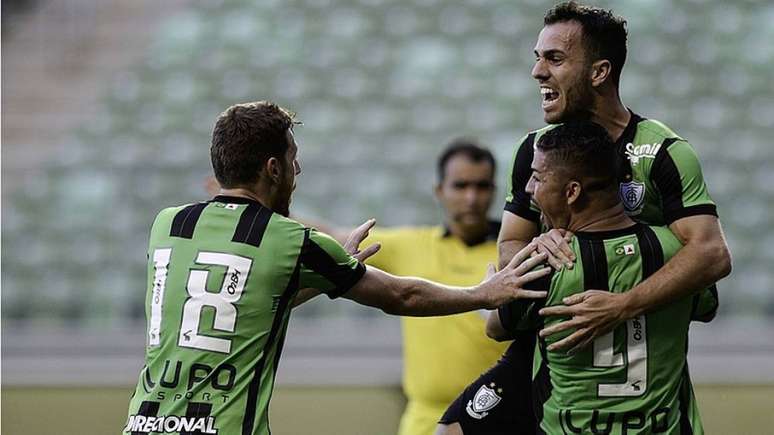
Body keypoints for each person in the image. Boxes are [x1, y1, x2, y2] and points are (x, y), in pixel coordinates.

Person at [122, 101, 551, 435]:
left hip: (144, 421)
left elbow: (243, 305)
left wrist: (329, 274)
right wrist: (484, 294)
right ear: (273, 168)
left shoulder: (167, 224)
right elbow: (401, 296)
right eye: (293, 158)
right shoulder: (289, 240)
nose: (298, 168)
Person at [442, 121, 705, 434]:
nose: (529, 188)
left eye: (537, 177)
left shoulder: (546, 263)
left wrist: (491, 287)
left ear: (572, 192)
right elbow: (706, 308)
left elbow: (496, 328)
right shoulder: (679, 254)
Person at [499, 0, 731, 353]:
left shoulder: (664, 151)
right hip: (557, 347)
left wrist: (623, 306)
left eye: (555, 59)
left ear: (599, 72)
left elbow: (712, 254)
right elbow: (508, 247)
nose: (537, 71)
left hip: (646, 344)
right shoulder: (534, 150)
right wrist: (534, 249)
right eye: (538, 57)